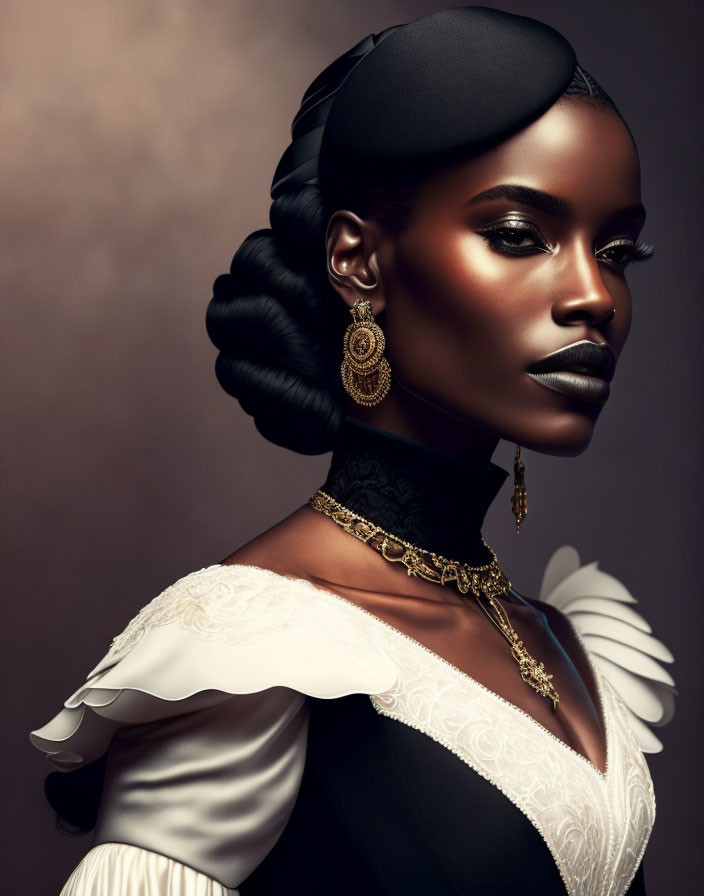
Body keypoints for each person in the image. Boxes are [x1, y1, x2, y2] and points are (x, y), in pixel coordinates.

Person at [30, 7, 676, 895]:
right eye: (521, 236)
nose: (595, 294)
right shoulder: (252, 646)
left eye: (617, 250)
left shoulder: (566, 639)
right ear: (358, 258)